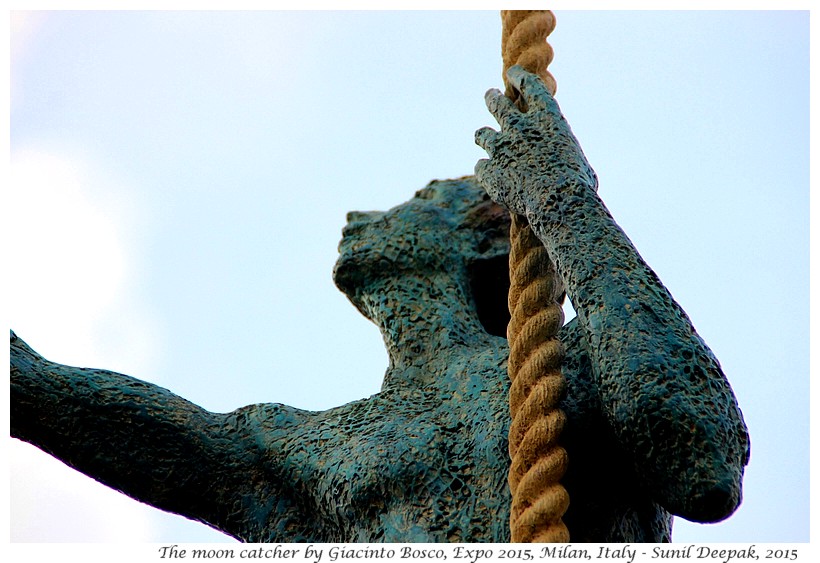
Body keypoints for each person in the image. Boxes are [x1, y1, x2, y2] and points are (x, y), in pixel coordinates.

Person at [10, 67, 748, 543]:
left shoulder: (580, 367)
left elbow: (703, 465)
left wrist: (562, 200)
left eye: (425, 196)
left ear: (488, 244)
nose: (365, 213)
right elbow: (87, 412)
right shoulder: (305, 449)